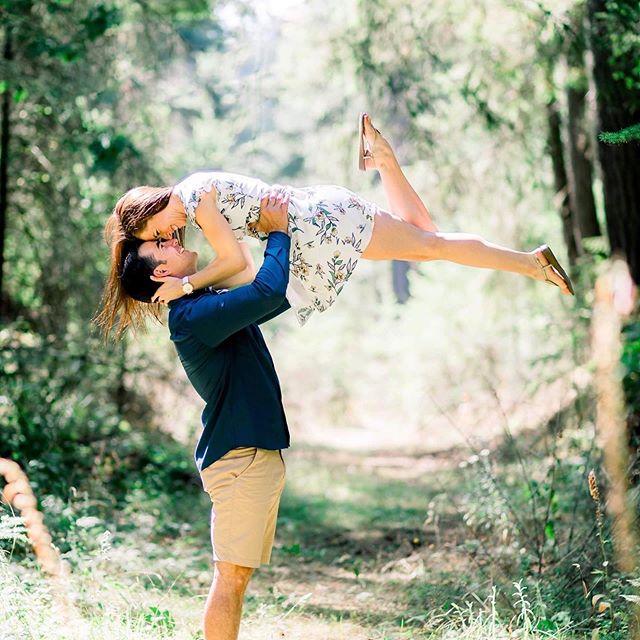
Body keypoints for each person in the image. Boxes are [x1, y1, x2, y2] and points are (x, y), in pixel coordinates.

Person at [98, 113, 574, 336]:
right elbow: (238, 263)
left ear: (149, 212)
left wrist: (187, 286)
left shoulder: (193, 198)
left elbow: (238, 262)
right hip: (319, 217)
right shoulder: (194, 193)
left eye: (154, 232)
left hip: (319, 226)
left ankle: (532, 263)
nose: (163, 238)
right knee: (428, 235)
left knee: (434, 243)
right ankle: (383, 160)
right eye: (156, 241)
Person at [112, 198, 292, 640]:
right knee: (230, 578)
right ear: (160, 273)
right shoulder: (193, 317)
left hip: (250, 457)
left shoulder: (198, 302)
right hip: (240, 460)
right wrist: (279, 231)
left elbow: (243, 267)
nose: (175, 240)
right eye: (164, 244)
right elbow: (269, 288)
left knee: (236, 576)